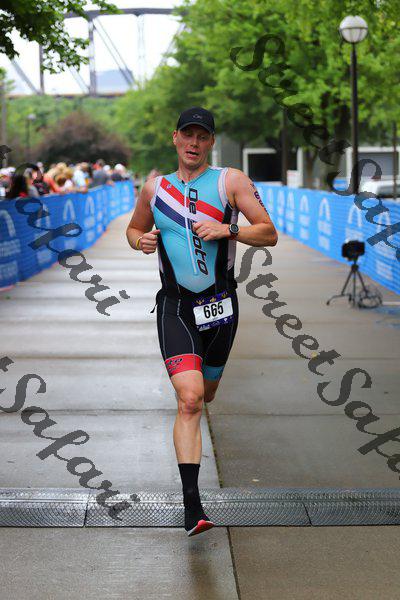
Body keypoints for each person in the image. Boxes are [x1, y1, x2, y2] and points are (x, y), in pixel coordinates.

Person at [126, 107, 278, 537]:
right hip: (175, 307)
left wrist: (228, 230)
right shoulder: (155, 188)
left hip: (221, 307)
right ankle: (192, 506)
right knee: (190, 400)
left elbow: (268, 233)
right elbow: (134, 231)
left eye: (202, 136)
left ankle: (204, 386)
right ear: (175, 137)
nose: (194, 143)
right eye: (187, 134)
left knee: (206, 392)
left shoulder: (231, 182)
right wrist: (142, 241)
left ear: (211, 142)